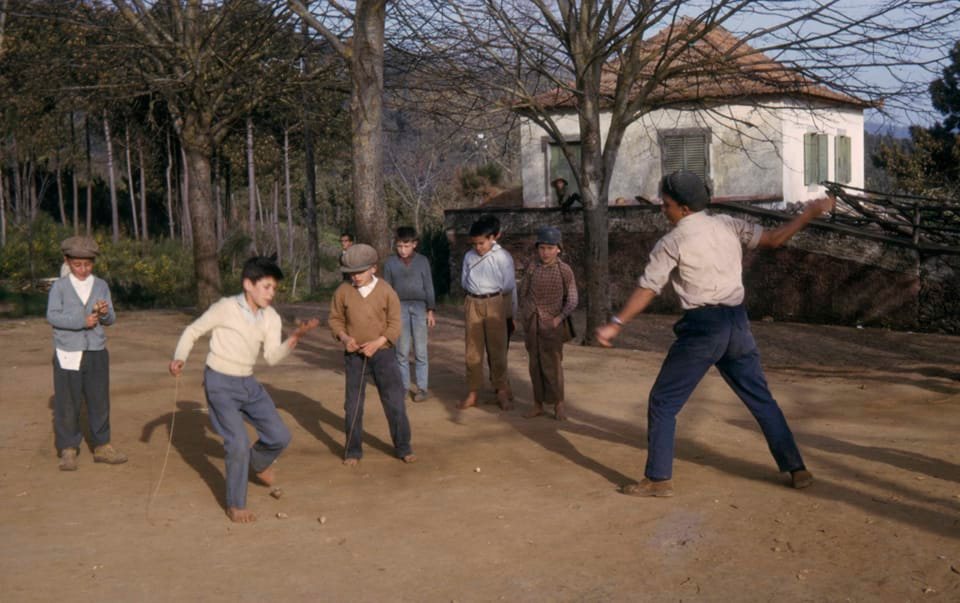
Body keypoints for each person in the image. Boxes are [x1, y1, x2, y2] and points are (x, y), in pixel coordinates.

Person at [596, 170, 833, 497]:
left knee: (663, 401)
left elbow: (648, 289)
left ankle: (658, 479)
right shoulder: (728, 224)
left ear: (684, 208)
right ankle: (797, 468)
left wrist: (615, 324)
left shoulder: (672, 241)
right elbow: (775, 239)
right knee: (762, 400)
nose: (662, 210)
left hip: (703, 329)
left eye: (666, 205)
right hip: (738, 326)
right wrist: (809, 213)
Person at [169, 256, 318, 523]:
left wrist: (294, 338)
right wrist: (180, 357)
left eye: (274, 288)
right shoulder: (225, 307)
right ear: (248, 284)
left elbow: (271, 356)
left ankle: (257, 463)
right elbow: (193, 330)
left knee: (280, 435)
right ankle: (235, 505)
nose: (271, 293)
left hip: (248, 383)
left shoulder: (271, 317)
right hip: (219, 383)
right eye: (266, 287)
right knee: (237, 442)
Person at [329, 243, 416, 466]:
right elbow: (335, 320)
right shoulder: (342, 292)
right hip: (354, 355)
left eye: (360, 272)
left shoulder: (387, 292)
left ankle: (403, 447)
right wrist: (345, 338)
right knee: (353, 405)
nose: (355, 277)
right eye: (351, 273)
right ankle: (352, 451)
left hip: (384, 354)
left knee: (394, 401)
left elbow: (395, 324)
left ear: (373, 269)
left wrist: (378, 342)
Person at [46, 236, 126, 471]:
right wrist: (81, 321)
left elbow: (111, 318)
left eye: (88, 264)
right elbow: (52, 316)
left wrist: (103, 313)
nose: (83, 269)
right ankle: (68, 448)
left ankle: (102, 446)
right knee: (67, 402)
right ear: (67, 261)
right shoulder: (59, 287)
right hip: (68, 351)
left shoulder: (101, 285)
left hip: (96, 350)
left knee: (99, 399)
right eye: (78, 264)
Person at [519, 226, 578, 421]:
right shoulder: (532, 267)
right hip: (533, 323)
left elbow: (572, 300)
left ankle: (558, 405)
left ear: (558, 249)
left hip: (553, 325)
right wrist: (527, 315)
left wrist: (558, 319)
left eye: (550, 248)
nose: (545, 252)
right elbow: (523, 292)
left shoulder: (564, 271)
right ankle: (537, 404)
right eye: (542, 248)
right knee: (534, 365)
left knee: (553, 364)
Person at [459, 215, 517, 410]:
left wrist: (508, 310)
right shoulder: (469, 257)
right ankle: (473, 391)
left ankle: (501, 390)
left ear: (493, 238)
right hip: (472, 301)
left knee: (498, 349)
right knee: (472, 350)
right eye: (475, 243)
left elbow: (509, 285)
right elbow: (463, 280)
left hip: (495, 302)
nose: (478, 247)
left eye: (482, 243)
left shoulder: (503, 257)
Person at [383, 226, 436, 402]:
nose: (403, 250)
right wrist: (388, 313)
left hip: (420, 307)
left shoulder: (423, 261)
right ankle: (404, 387)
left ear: (414, 244)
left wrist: (431, 310)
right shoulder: (390, 263)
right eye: (399, 246)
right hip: (399, 309)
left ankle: (422, 388)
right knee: (401, 351)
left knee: (421, 351)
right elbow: (388, 290)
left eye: (406, 246)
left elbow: (428, 286)